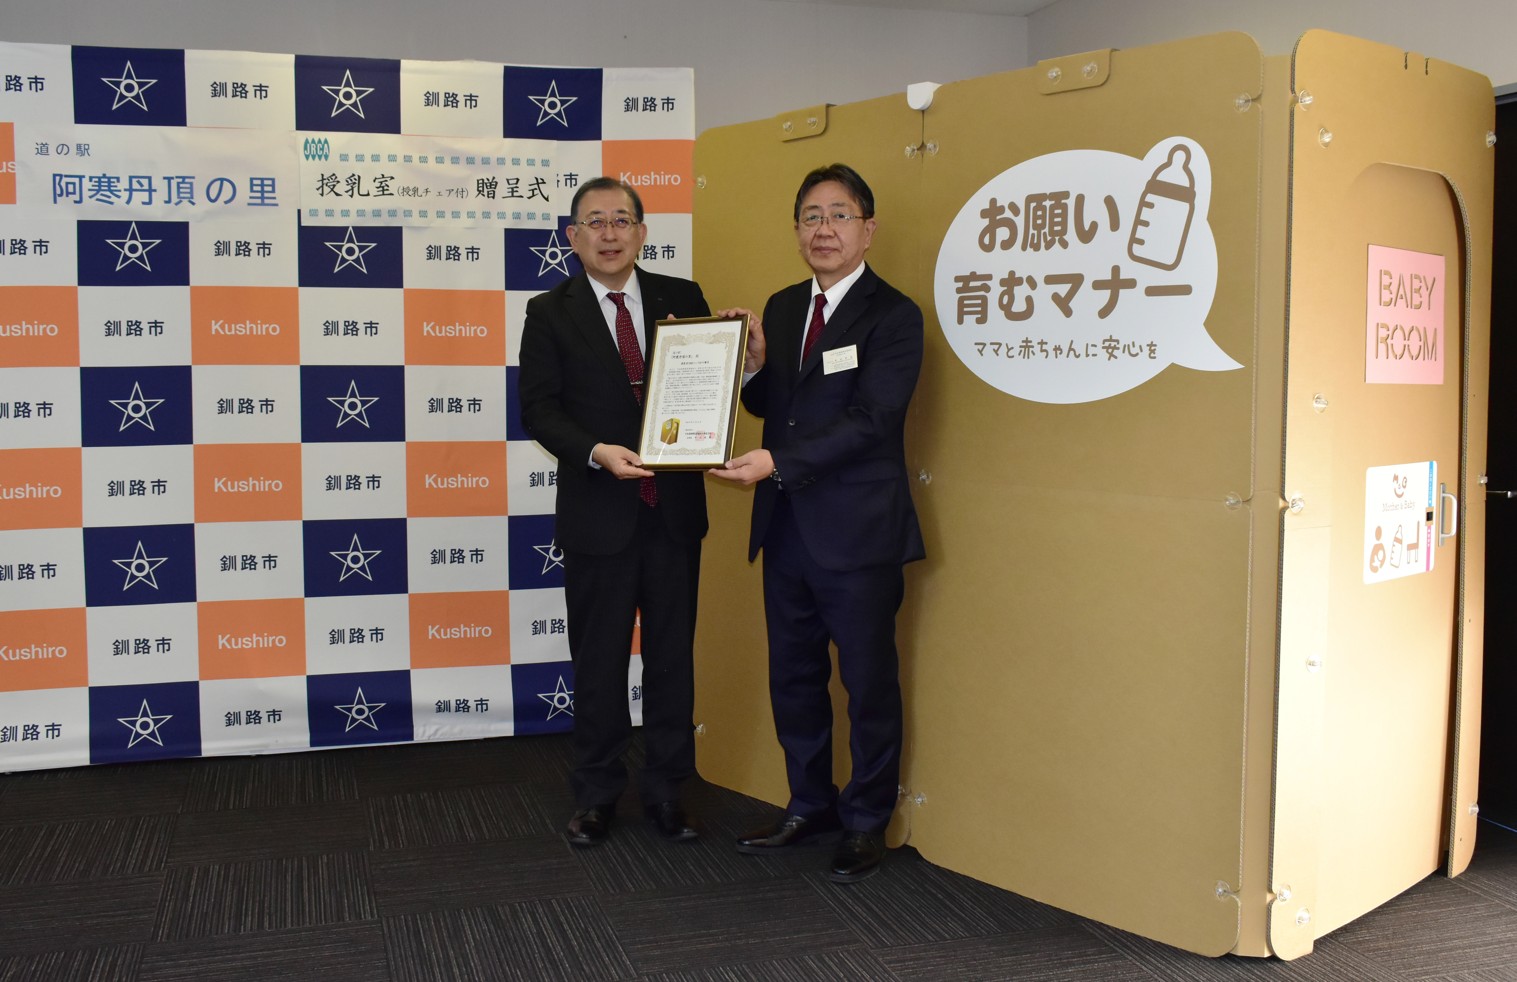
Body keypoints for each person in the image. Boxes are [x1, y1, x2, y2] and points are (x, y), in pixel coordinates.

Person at [710, 163, 925, 882]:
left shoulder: (894, 316)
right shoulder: (780, 306)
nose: (823, 229)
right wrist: (750, 366)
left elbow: (872, 419)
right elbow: (773, 402)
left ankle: (866, 821)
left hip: (859, 531)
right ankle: (809, 804)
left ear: (868, 229)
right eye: (810, 216)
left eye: (839, 215)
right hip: (786, 527)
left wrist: (776, 461)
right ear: (797, 229)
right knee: (794, 676)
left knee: (867, 684)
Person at [518, 176, 720, 847]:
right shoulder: (550, 311)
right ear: (572, 237)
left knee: (672, 661)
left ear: (642, 232)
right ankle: (597, 794)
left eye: (622, 220)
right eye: (595, 222)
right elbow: (539, 409)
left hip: (673, 514)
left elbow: (708, 387)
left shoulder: (682, 298)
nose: (609, 234)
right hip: (599, 515)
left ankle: (668, 792)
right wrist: (595, 451)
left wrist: (740, 369)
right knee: (599, 663)